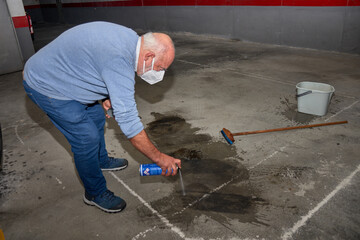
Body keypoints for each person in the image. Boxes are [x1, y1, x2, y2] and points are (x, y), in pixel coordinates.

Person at [23, 21, 181, 213]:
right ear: (148, 56)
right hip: (46, 84)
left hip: (65, 73)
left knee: (97, 117)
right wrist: (159, 158)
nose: (160, 74)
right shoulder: (119, 62)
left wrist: (107, 95)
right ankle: (94, 193)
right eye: (160, 68)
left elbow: (95, 59)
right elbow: (129, 123)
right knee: (85, 137)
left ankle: (100, 160)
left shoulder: (133, 40)